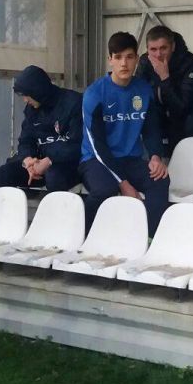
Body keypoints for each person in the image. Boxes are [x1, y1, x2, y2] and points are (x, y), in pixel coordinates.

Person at [80, 32, 171, 235]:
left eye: (129, 57)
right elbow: (97, 145)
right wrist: (123, 183)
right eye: (118, 57)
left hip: (130, 159)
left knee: (160, 180)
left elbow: (151, 129)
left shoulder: (143, 90)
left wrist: (156, 157)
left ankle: (149, 238)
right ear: (110, 59)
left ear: (137, 59)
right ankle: (84, 237)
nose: (124, 63)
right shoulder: (94, 94)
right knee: (105, 189)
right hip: (96, 160)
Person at [0, 65, 82, 192]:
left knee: (53, 177)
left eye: (27, 95)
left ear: (37, 90)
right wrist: (28, 160)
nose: (25, 100)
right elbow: (25, 140)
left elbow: (76, 143)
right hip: (38, 162)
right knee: (4, 173)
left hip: (67, 162)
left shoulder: (73, 103)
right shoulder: (32, 109)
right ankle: (12, 205)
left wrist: (49, 160)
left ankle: (56, 205)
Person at [135, 25, 193, 154]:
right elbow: (137, 94)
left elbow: (182, 107)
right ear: (147, 49)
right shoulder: (145, 61)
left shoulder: (190, 63)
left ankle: (177, 163)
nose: (158, 54)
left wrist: (165, 77)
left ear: (173, 46)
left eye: (163, 48)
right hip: (157, 114)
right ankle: (152, 161)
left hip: (183, 116)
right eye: (153, 49)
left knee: (188, 122)